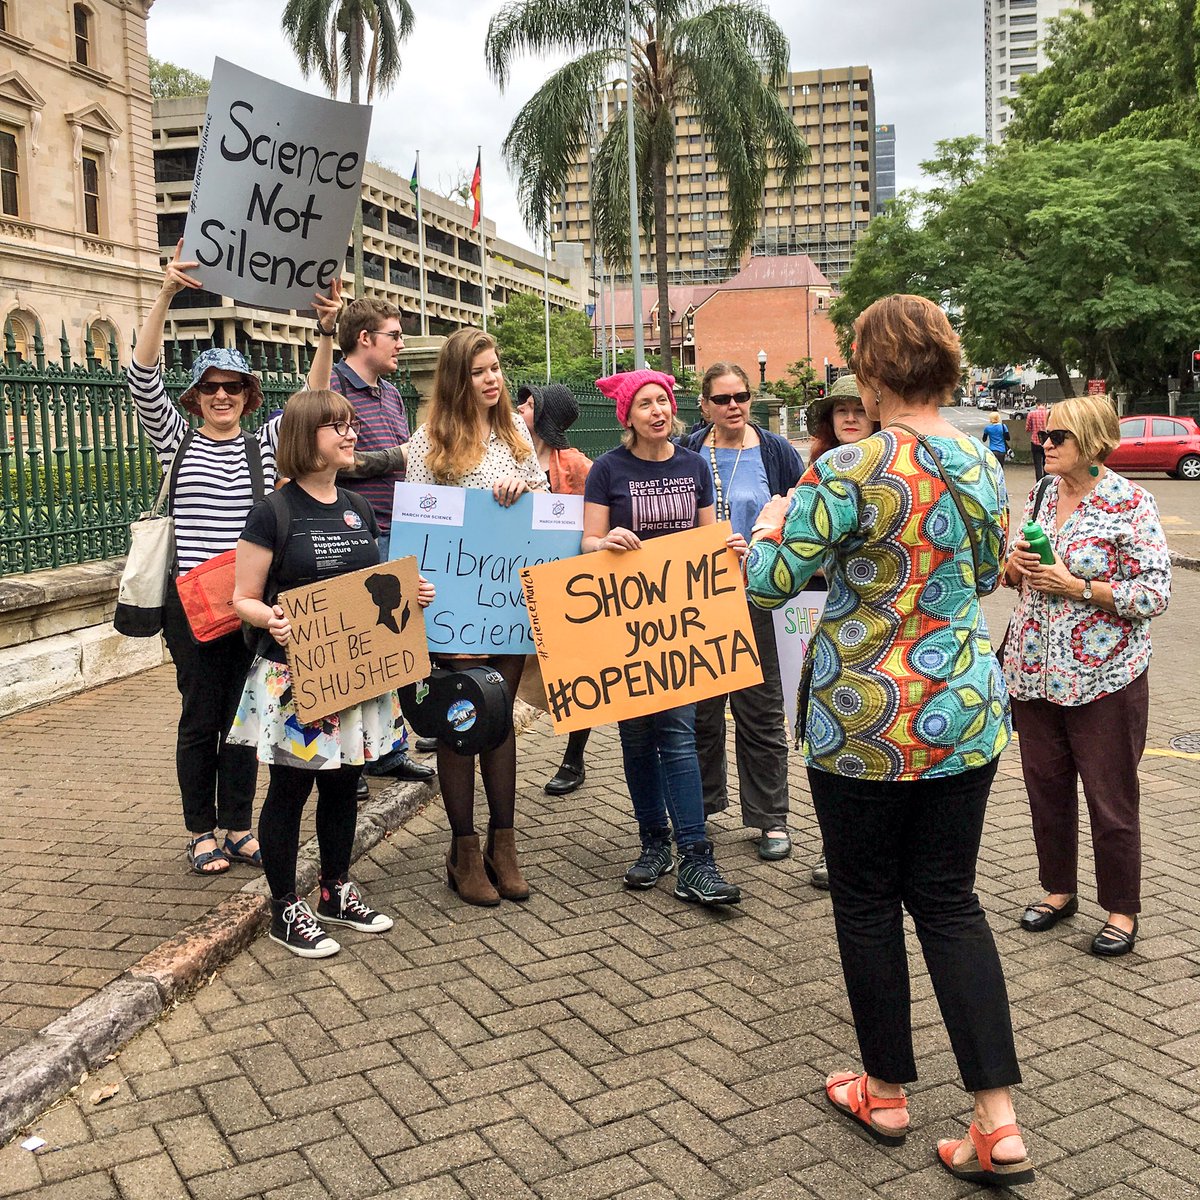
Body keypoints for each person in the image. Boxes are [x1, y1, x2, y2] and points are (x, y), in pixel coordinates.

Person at [745, 295, 1031, 1186]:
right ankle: (999, 1123)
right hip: (965, 708)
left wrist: (766, 528)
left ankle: (887, 1090)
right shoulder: (982, 464)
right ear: (946, 365)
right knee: (949, 902)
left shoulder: (848, 466)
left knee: (867, 902)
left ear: (868, 373)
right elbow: (986, 575)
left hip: (863, 720)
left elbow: (770, 583)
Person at [128, 242, 334, 877]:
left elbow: (313, 400)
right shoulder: (175, 441)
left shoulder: (263, 447)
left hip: (250, 602)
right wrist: (165, 294)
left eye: (233, 387)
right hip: (191, 609)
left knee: (248, 720)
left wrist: (325, 333)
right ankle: (200, 831)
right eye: (211, 388)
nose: (221, 396)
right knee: (201, 718)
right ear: (196, 398)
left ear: (248, 396)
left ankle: (238, 825)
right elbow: (141, 376)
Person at [229, 389, 435, 957]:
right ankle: (282, 908)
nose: (350, 435)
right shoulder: (274, 511)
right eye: (335, 427)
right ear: (304, 437)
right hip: (298, 675)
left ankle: (334, 891)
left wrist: (410, 595)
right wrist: (269, 618)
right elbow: (241, 597)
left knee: (345, 783)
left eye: (350, 425)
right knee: (290, 791)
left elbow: (373, 589)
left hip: (358, 673)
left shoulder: (358, 508)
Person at [1004, 393, 1170, 958]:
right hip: (1034, 672)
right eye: (1043, 437)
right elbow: (1017, 569)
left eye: (1056, 439)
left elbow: (1154, 592)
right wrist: (1016, 565)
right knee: (1045, 791)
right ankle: (1058, 891)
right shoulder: (1043, 492)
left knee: (1110, 798)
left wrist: (1076, 587)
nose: (1043, 446)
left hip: (1104, 676)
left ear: (1093, 443)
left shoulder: (1131, 503)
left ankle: (1121, 910)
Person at [583, 369, 742, 907]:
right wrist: (606, 540)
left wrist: (729, 550)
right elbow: (587, 540)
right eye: (645, 403)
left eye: (664, 401)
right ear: (626, 415)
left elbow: (704, 538)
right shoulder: (607, 469)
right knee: (634, 738)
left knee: (677, 731)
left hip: (681, 620)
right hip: (624, 619)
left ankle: (696, 855)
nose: (657, 410)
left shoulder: (694, 465)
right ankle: (654, 844)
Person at [405, 329, 548, 907]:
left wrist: (524, 488)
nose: (492, 380)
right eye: (479, 371)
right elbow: (419, 526)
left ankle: (503, 844)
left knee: (501, 720)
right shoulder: (428, 443)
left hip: (509, 603)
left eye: (496, 369)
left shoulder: (517, 436)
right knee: (464, 717)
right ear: (456, 379)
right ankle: (464, 850)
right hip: (456, 606)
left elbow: (545, 520)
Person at [681, 362, 801, 860]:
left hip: (756, 600)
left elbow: (803, 511)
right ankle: (702, 811)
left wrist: (768, 544)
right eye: (723, 399)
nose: (735, 406)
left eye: (742, 397)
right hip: (700, 601)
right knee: (702, 714)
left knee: (761, 712)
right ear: (705, 404)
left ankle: (770, 818)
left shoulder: (776, 452)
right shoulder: (687, 451)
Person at [321, 298, 435, 785]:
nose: (401, 344)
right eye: (394, 335)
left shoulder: (390, 393)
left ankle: (387, 750)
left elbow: (410, 459)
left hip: (399, 526)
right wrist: (399, 455)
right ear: (365, 338)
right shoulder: (333, 388)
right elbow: (341, 460)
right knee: (358, 647)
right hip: (356, 531)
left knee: (394, 645)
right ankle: (352, 758)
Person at [797, 372, 880, 887]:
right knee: (834, 740)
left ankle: (863, 853)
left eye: (857, 407)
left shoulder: (896, 462)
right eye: (840, 409)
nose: (849, 416)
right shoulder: (818, 471)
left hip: (878, 628)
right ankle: (838, 849)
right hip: (820, 617)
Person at [516, 383, 594, 795]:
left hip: (562, 585)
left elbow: (592, 521)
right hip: (507, 582)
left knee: (574, 673)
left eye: (529, 405)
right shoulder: (502, 457)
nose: (519, 408)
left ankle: (574, 757)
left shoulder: (577, 466)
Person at [1025, 400, 1049, 480]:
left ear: (1036, 405)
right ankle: (1047, 481)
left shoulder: (1031, 414)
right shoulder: (1049, 413)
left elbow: (1027, 428)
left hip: (1035, 441)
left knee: (1037, 464)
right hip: (1047, 441)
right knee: (1047, 462)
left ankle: (1039, 483)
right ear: (1044, 404)